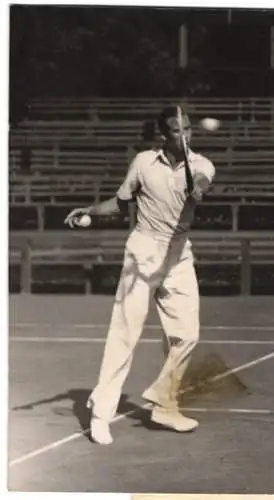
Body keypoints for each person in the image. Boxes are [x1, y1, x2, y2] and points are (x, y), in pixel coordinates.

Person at [65, 105, 215, 445]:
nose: (186, 135)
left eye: (189, 129)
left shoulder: (203, 165)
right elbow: (121, 203)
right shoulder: (143, 163)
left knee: (187, 335)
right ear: (163, 135)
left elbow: (202, 183)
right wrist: (89, 210)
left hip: (178, 254)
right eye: (178, 131)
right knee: (125, 332)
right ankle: (100, 412)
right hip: (144, 249)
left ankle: (163, 403)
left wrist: (198, 189)